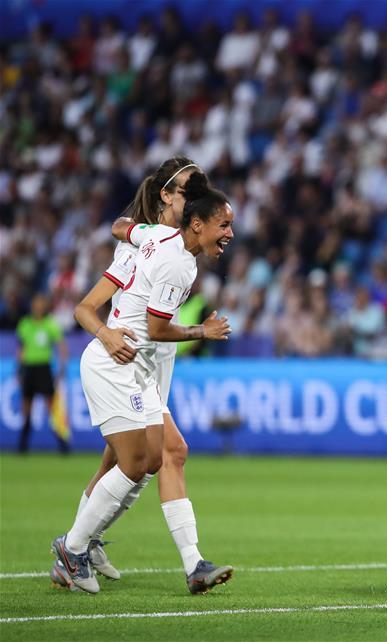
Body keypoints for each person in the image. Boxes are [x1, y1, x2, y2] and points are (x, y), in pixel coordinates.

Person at [50, 158, 234, 595]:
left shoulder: (153, 236)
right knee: (136, 460)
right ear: (169, 198)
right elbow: (141, 322)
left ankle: (88, 544)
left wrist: (132, 226)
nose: (195, 196)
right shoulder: (169, 256)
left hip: (146, 361)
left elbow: (123, 227)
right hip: (129, 360)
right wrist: (199, 332)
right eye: (189, 190)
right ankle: (77, 545)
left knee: (155, 458)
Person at [15, 293, 69, 454]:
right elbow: (21, 349)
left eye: (41, 305)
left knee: (51, 408)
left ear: (44, 307)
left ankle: (62, 444)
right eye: (36, 305)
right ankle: (23, 446)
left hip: (44, 369)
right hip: (29, 369)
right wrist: (19, 369)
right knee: (26, 408)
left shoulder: (50, 324)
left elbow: (62, 347)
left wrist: (61, 367)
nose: (38, 308)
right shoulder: (25, 324)